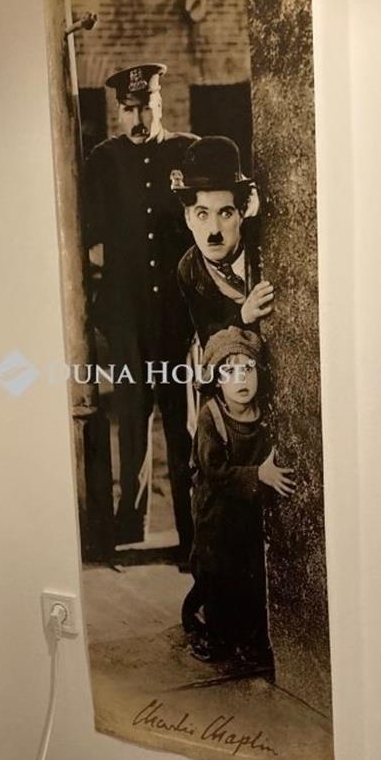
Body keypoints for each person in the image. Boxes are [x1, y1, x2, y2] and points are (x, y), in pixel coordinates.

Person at [83, 63, 197, 561]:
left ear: (159, 104)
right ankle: (130, 530)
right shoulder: (104, 161)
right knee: (131, 422)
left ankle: (193, 536)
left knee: (182, 426)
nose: (137, 119)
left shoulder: (186, 152)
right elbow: (88, 230)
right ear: (118, 112)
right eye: (128, 110)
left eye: (145, 108)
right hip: (126, 318)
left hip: (174, 318)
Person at [185, 326, 294, 665]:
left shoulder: (263, 414)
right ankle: (210, 631)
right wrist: (258, 475)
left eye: (248, 368)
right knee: (214, 575)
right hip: (215, 515)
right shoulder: (212, 417)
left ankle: (247, 638)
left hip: (245, 515)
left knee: (247, 576)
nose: (241, 378)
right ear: (217, 381)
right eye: (229, 371)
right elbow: (214, 472)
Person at [172, 136, 273, 347]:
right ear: (188, 218)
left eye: (225, 213)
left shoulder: (264, 247)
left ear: (242, 212)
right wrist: (243, 316)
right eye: (202, 214)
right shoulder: (190, 269)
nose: (214, 231)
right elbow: (209, 335)